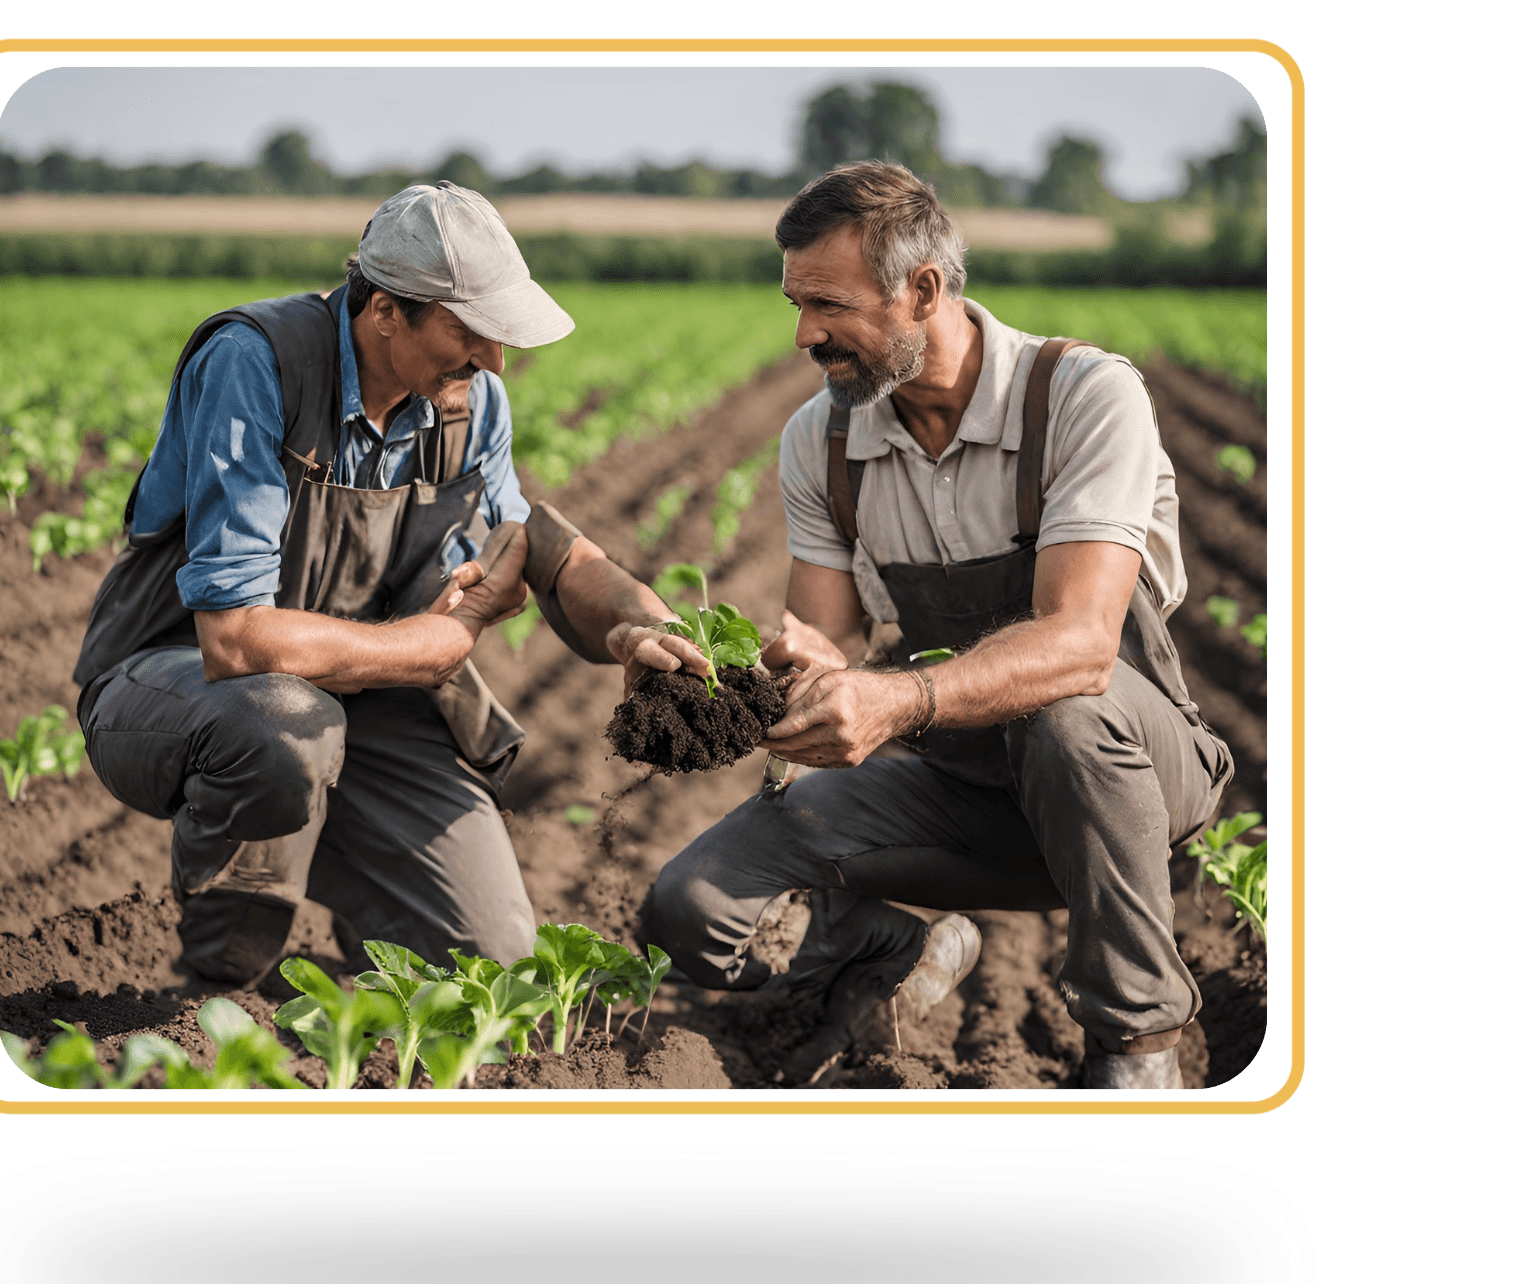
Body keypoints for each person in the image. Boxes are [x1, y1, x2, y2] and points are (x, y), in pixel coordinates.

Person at [639, 162, 1234, 1090]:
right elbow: (826, 640)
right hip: (958, 785)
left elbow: (1080, 643)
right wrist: (733, 680)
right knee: (690, 903)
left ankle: (1137, 1046)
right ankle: (897, 949)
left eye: (829, 304)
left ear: (924, 288)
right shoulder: (824, 440)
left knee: (1065, 712)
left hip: (1128, 785)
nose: (805, 334)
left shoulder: (1079, 397)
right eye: (796, 305)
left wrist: (902, 697)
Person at [72, 182, 705, 984]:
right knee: (282, 727)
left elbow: (534, 544)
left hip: (355, 704)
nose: (494, 358)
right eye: (469, 329)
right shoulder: (258, 365)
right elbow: (233, 641)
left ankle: (356, 915)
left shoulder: (472, 402)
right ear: (384, 311)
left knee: (490, 969)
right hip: (178, 685)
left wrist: (632, 623)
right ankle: (217, 984)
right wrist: (430, 645)